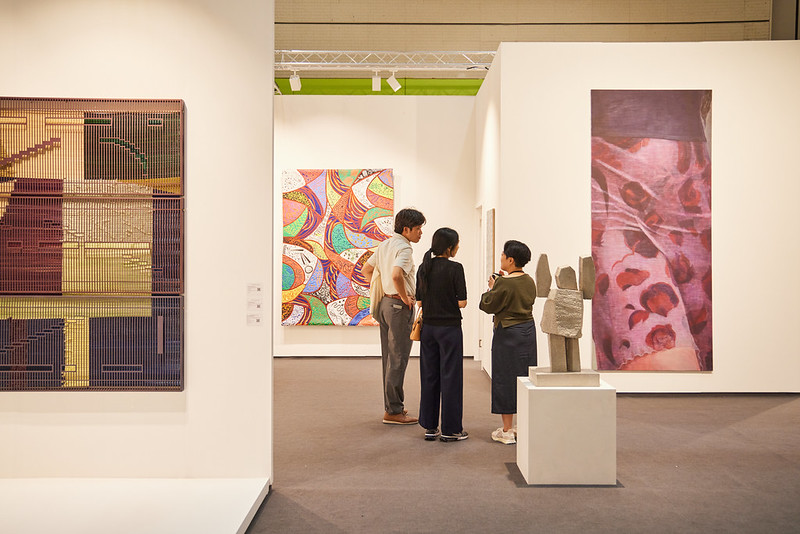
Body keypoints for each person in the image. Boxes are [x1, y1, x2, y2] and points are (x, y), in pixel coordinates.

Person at [362, 207, 425, 424]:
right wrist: (405, 297)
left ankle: (393, 406)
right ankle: (393, 411)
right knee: (398, 359)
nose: (420, 233)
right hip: (398, 307)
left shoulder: (385, 245)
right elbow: (397, 274)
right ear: (406, 229)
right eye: (418, 229)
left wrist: (384, 287)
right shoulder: (404, 248)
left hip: (385, 304)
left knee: (389, 358)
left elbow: (366, 270)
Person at [479, 240, 538, 445]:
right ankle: (522, 426)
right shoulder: (529, 280)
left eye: (503, 255)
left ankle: (506, 430)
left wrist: (492, 287)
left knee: (505, 377)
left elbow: (487, 305)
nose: (501, 258)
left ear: (511, 260)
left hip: (507, 333)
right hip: (528, 331)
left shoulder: (503, 283)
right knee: (525, 376)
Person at [415, 227, 468, 442]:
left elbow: (419, 302)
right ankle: (450, 429)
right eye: (457, 244)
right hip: (450, 330)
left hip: (428, 329)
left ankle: (430, 427)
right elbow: (462, 302)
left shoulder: (424, 267)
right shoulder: (456, 268)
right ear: (449, 247)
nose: (458, 247)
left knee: (429, 376)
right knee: (451, 377)